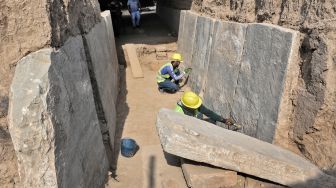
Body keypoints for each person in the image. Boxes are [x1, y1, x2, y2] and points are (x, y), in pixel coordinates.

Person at [175, 91, 242, 130]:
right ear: (187, 106)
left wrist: (224, 120)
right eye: (195, 107)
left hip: (195, 121)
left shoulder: (193, 103)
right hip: (188, 127)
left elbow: (209, 113)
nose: (198, 107)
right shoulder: (178, 113)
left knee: (212, 121)